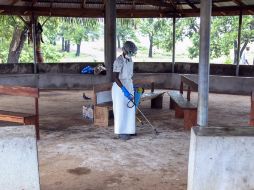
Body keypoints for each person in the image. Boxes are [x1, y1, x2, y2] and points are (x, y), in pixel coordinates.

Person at [112, 41, 137, 140]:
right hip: (119, 88)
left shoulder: (130, 60)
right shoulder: (118, 61)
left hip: (129, 85)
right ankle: (121, 131)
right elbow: (115, 77)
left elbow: (130, 75)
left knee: (130, 109)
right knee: (121, 110)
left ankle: (129, 130)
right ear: (125, 50)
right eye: (131, 52)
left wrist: (132, 87)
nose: (132, 54)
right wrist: (123, 89)